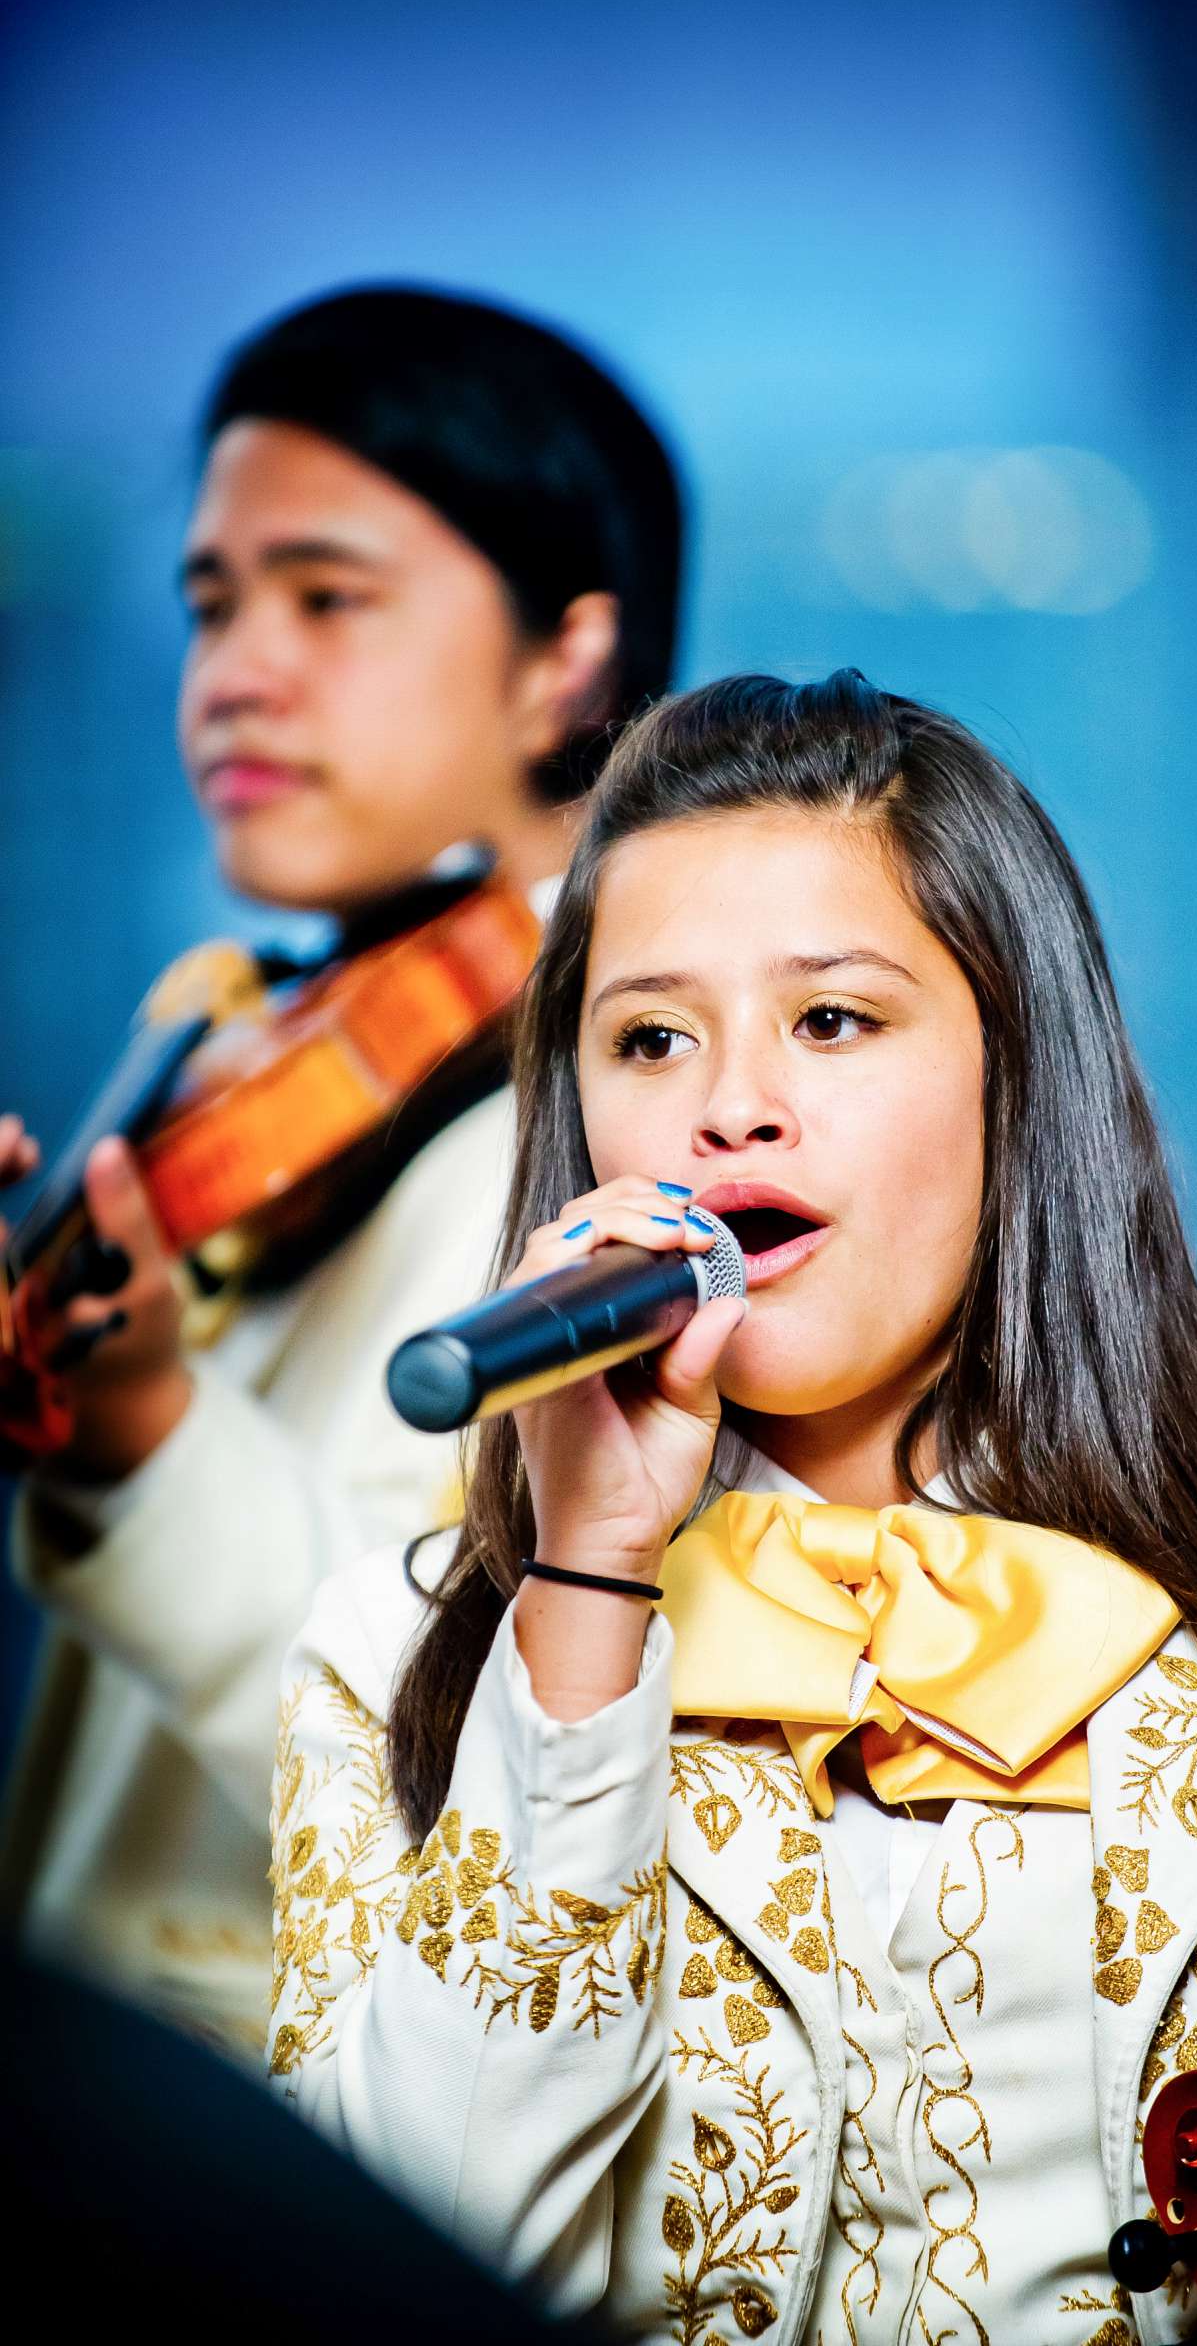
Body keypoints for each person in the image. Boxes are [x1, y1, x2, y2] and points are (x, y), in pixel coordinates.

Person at [269, 673, 1197, 2343]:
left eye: (832, 1020)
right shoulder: (390, 1658)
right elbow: (386, 2287)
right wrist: (586, 1587)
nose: (730, 1102)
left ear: (1017, 1073)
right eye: (651, 1036)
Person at [0, 284, 683, 2055]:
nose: (236, 670)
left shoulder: (619, 1139)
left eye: (328, 599)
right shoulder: (283, 1040)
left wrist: (143, 1421)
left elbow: (458, 1777)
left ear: (570, 663)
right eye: (212, 605)